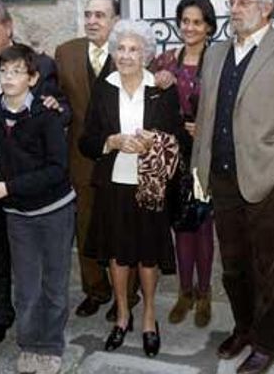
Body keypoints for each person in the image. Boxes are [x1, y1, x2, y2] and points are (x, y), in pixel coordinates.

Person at [191, 0, 274, 374]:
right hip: (222, 177)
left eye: (242, 2)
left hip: (266, 176)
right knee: (233, 264)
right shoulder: (215, 53)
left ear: (267, 8)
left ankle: (266, 343)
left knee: (268, 266)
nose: (233, 9)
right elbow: (206, 114)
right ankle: (243, 328)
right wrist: (200, 169)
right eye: (232, 2)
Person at [0, 0, 69, 345]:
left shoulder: (41, 69)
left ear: (8, 26)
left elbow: (58, 113)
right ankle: (2, 317)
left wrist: (55, 107)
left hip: (40, 194)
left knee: (49, 274)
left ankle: (49, 338)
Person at [79, 20, 183, 358]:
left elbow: (179, 139)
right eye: (120, 48)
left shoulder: (161, 89)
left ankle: (150, 317)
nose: (126, 55)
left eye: (134, 49)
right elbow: (86, 141)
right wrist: (110, 141)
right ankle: (122, 316)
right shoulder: (103, 87)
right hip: (113, 186)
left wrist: (154, 143)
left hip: (150, 187)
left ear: (147, 54)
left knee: (148, 256)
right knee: (118, 254)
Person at [0, 45, 76, 374]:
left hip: (54, 210)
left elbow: (57, 169)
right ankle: (28, 341)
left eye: (17, 72)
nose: (8, 78)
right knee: (25, 283)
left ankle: (50, 344)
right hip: (17, 214)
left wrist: (8, 188)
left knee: (54, 280)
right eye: (3, 71)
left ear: (33, 78)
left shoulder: (45, 116)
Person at [56, 0, 140, 322]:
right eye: (88, 14)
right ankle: (96, 289)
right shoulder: (65, 53)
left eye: (100, 15)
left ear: (116, 21)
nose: (92, 21)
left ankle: (128, 295)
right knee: (86, 225)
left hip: (124, 157)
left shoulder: (131, 51)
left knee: (126, 227)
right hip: (82, 157)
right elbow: (57, 97)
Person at [150, 0, 217, 327]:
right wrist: (158, 83)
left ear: (208, 27)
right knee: (181, 225)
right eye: (185, 21)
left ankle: (205, 293)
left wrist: (206, 127)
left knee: (203, 225)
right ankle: (184, 292)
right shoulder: (164, 60)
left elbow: (232, 106)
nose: (190, 28)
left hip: (205, 154)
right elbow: (145, 100)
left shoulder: (219, 59)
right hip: (174, 154)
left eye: (197, 22)